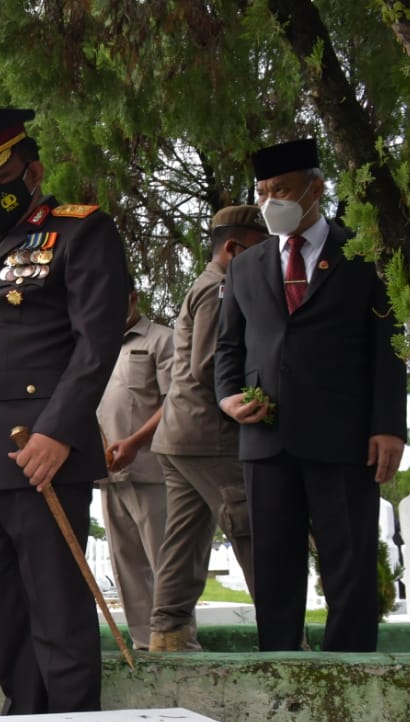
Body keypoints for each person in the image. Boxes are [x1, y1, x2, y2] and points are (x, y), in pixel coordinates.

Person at [0, 108, 129, 714]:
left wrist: (58, 434)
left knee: (56, 606)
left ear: (32, 170)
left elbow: (96, 343)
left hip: (39, 456)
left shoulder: (80, 232)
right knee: (4, 612)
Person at [216, 138, 407, 652]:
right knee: (275, 570)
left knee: (349, 565)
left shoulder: (363, 256)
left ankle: (349, 673)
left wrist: (388, 425)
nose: (269, 201)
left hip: (343, 439)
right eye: (261, 192)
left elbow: (388, 348)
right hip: (265, 439)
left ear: (315, 188)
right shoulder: (245, 266)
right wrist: (229, 398)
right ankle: (281, 672)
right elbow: (228, 348)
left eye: (280, 189)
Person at [147, 205, 268, 651]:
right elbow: (210, 365)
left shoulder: (206, 284)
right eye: (261, 250)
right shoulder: (221, 287)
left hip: (181, 435)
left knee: (185, 537)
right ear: (233, 249)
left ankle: (170, 633)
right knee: (253, 526)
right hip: (211, 434)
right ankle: (283, 635)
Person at [95, 283, 174, 651]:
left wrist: (135, 442)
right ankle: (145, 645)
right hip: (109, 474)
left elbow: (175, 401)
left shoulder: (161, 340)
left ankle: (175, 643)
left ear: (133, 297)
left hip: (152, 471)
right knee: (126, 566)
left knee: (166, 564)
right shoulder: (95, 345)